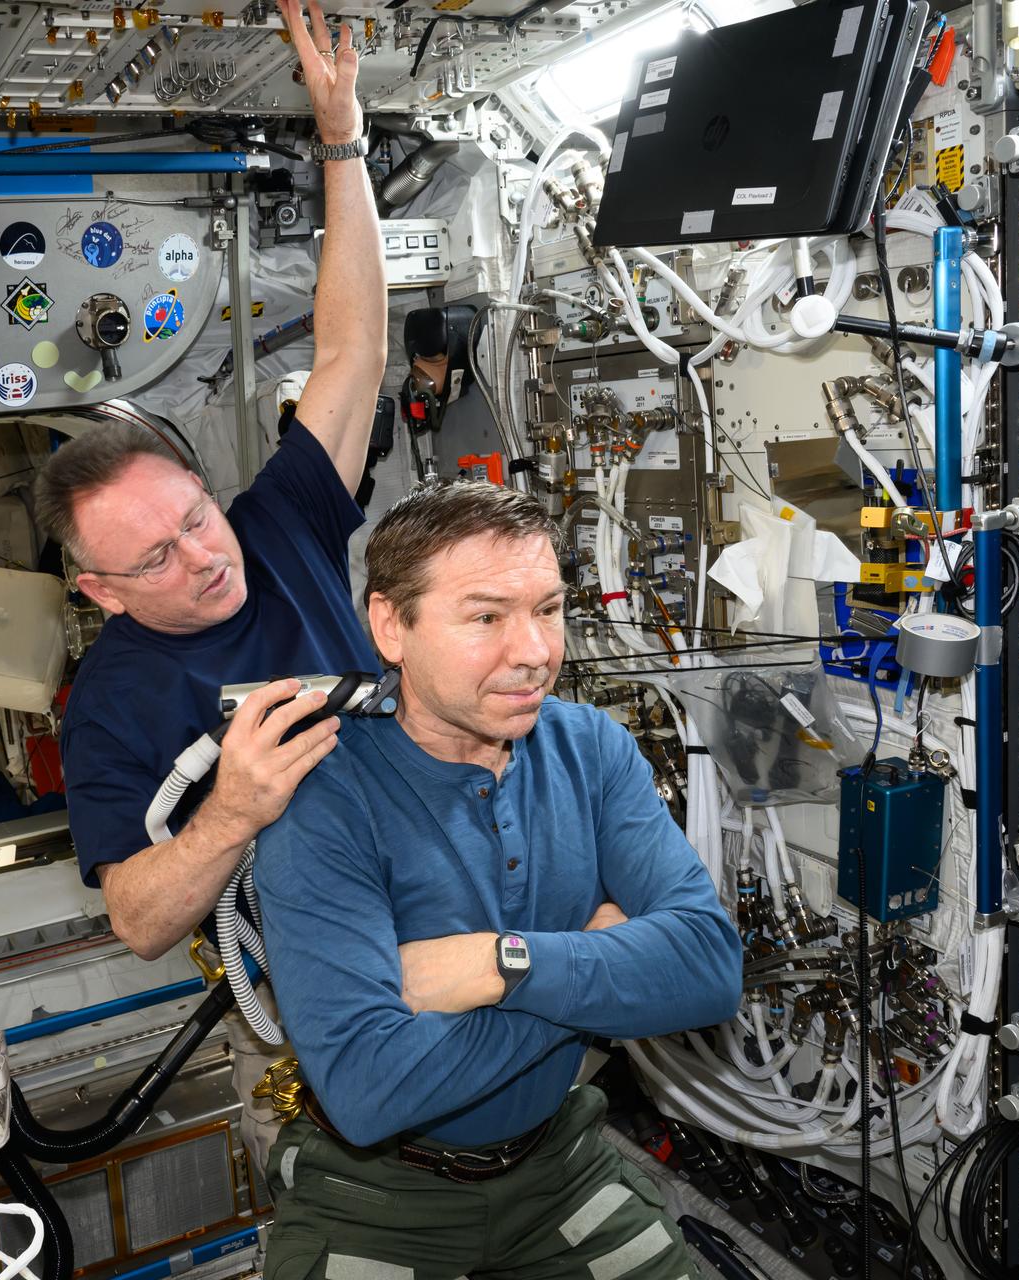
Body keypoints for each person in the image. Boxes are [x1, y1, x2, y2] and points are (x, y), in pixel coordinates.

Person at [31, 0, 385, 1177]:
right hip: (310, 988)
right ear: (100, 592)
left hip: (444, 893)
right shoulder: (115, 704)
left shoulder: (274, 522)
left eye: (193, 516)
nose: (202, 558)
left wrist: (342, 140)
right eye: (156, 562)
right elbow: (135, 921)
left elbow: (350, 353)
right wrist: (233, 808)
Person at [253, 481, 743, 1279]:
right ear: (391, 626)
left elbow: (710, 969)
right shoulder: (323, 795)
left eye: (548, 609)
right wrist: (599, 975)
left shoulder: (591, 747)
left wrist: (500, 964)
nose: (535, 651)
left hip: (559, 1162)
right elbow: (370, 1088)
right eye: (486, 617)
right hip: (374, 1191)